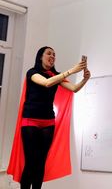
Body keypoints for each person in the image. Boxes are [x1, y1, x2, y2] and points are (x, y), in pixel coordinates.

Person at [7, 46, 91, 189]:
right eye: (49, 53)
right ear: (41, 56)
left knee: (40, 163)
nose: (52, 56)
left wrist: (85, 79)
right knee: (31, 162)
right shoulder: (32, 73)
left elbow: (74, 88)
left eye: (54, 54)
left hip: (48, 122)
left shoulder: (55, 76)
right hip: (30, 121)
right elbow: (46, 83)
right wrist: (71, 71)